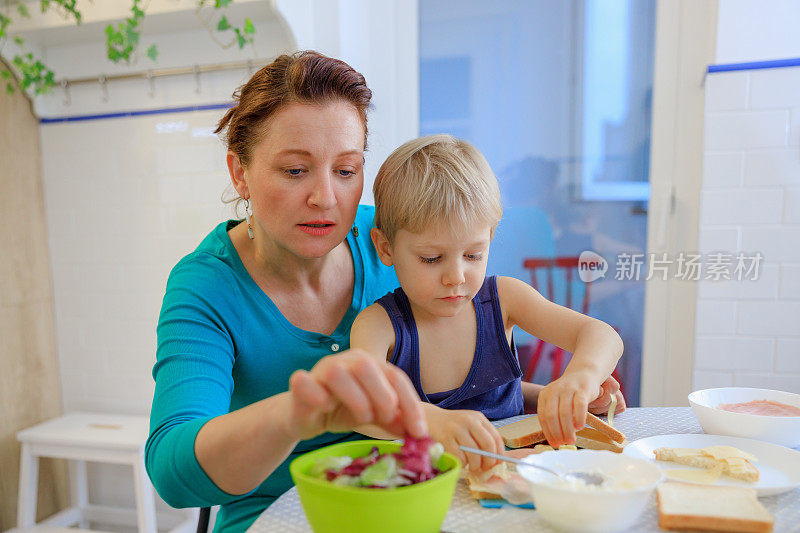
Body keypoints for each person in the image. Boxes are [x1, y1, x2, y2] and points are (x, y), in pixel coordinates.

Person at [145, 51, 429, 533]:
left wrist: (541, 397)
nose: (326, 197)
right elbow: (173, 472)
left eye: (345, 170)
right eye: (296, 171)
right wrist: (293, 414)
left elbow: (473, 336)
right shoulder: (207, 286)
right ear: (240, 174)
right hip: (270, 517)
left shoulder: (393, 246)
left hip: (399, 501)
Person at [350, 134, 626, 471]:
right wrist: (432, 421)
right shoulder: (377, 327)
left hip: (522, 480)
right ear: (386, 248)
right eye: (431, 258)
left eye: (473, 254)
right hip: (433, 494)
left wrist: (578, 382)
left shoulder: (505, 300)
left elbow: (601, 335)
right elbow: (359, 408)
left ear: (491, 237)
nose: (457, 276)